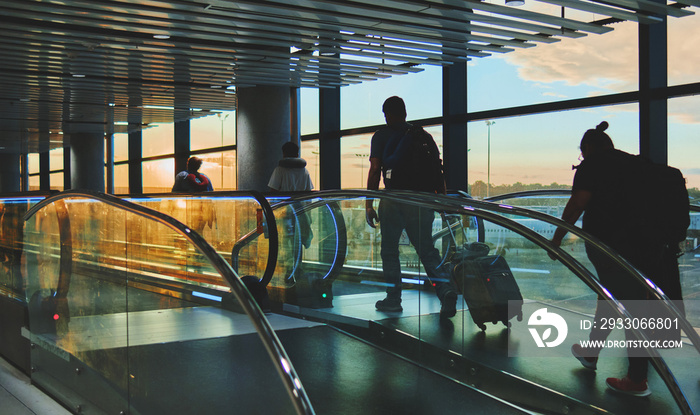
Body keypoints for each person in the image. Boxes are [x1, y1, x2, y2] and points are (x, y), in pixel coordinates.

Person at [551, 121, 681, 397]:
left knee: (630, 306)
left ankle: (637, 380)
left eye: (581, 153)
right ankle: (591, 353)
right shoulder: (635, 165)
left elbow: (577, 204)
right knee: (610, 297)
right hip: (651, 245)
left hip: (615, 248)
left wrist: (556, 239)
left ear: (587, 148)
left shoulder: (593, 165)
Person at [365, 96, 458, 319]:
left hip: (393, 200)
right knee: (426, 249)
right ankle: (445, 290)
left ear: (386, 114)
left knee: (389, 251)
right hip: (421, 202)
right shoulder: (423, 136)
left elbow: (375, 169)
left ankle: (393, 299)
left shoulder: (381, 135)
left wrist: (368, 203)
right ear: (405, 113)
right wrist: (442, 202)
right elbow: (438, 172)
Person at [172, 156, 215, 234]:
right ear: (199, 166)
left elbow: (174, 193)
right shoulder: (205, 178)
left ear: (188, 164)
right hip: (204, 211)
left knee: (186, 233)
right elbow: (211, 195)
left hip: (187, 211)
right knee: (199, 233)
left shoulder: (182, 176)